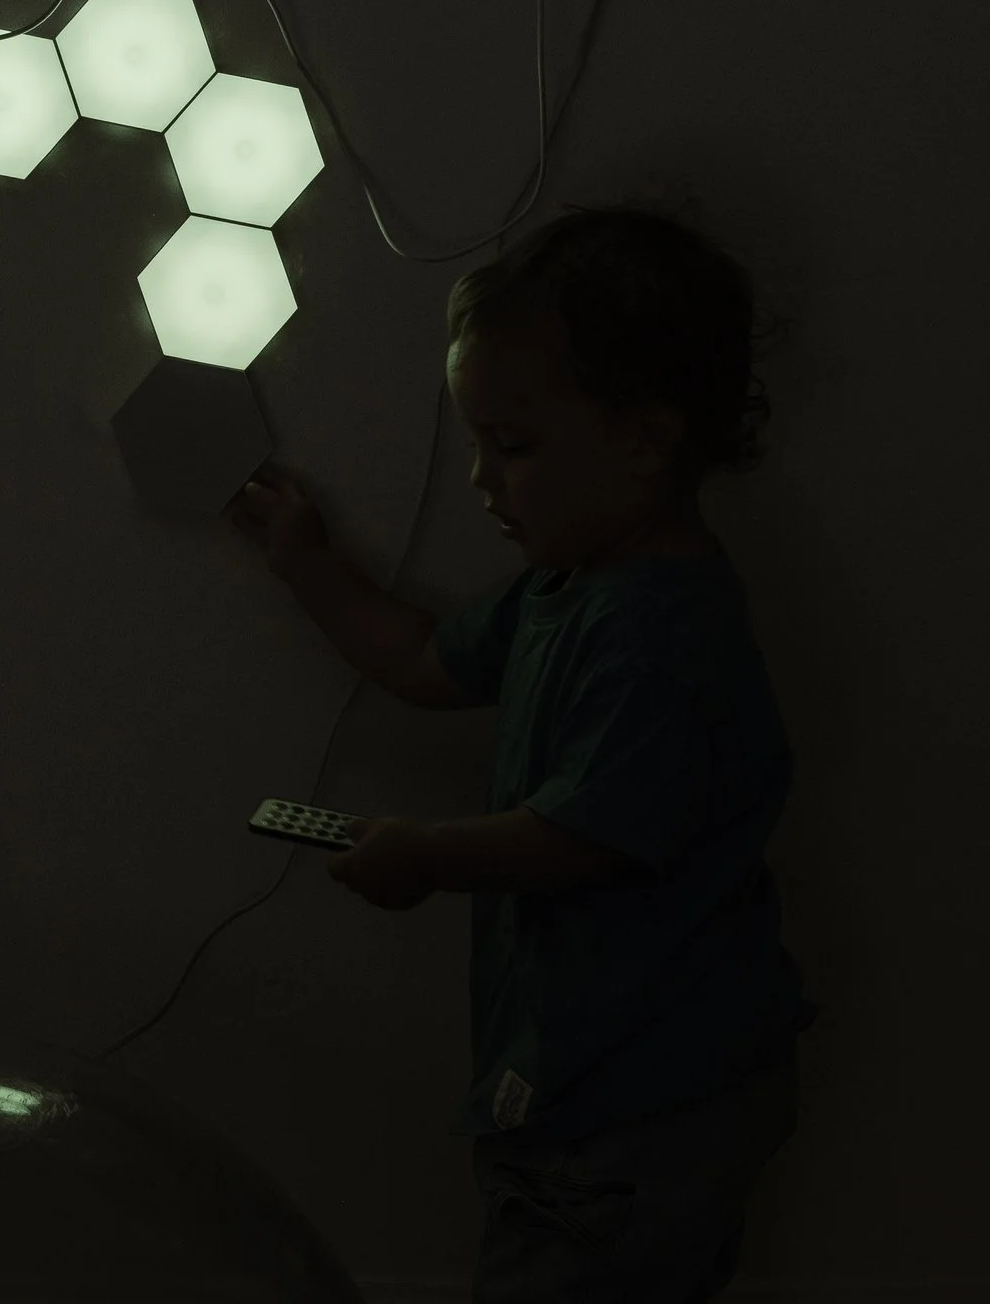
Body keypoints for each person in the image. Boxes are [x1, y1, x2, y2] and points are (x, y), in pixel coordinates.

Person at [231, 196, 815, 1303]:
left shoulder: (662, 628)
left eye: (513, 446)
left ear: (644, 439)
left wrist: (425, 855)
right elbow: (421, 661)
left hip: (643, 1105)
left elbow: (580, 836)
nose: (479, 481)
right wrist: (302, 560)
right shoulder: (567, 588)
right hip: (596, 1092)